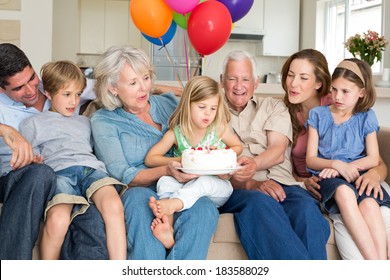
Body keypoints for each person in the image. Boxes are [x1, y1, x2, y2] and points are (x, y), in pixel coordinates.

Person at [90, 45, 219, 260]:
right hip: (140, 189)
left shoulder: (169, 103)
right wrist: (166, 170)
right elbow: (123, 175)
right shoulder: (104, 120)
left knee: (204, 206)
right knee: (140, 202)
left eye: (146, 78)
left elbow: (206, 117)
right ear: (113, 87)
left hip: (184, 186)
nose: (143, 89)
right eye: (132, 83)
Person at [217, 50, 330, 259]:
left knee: (306, 209)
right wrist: (251, 182)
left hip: (285, 184)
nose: (239, 86)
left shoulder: (273, 106)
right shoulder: (210, 112)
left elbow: (277, 151)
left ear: (256, 83)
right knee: (261, 204)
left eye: (245, 79)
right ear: (222, 81)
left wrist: (252, 164)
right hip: (239, 189)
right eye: (232, 79)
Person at [282, 48, 390, 259]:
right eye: (291, 75)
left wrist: (371, 174)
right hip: (326, 182)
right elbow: (307, 160)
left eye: (303, 77)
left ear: (319, 83)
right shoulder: (304, 114)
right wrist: (332, 167)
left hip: (358, 177)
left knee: (371, 205)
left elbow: (376, 160)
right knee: (344, 195)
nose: (294, 84)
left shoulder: (358, 113)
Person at [19, 60, 128, 260]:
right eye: (67, 95)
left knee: (114, 206)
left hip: (91, 170)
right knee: (57, 221)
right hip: (60, 173)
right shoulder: (33, 123)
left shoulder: (86, 121)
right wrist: (34, 160)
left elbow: (97, 151)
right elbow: (28, 159)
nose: (74, 101)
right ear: (49, 94)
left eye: (78, 94)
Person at [145, 75, 242, 249]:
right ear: (188, 105)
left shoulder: (217, 129)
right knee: (165, 180)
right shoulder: (177, 133)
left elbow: (237, 146)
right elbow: (151, 158)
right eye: (202, 107)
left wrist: (221, 153)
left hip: (216, 187)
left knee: (203, 181)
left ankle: (173, 204)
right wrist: (186, 159)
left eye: (213, 108)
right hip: (186, 183)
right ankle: (168, 226)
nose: (208, 113)